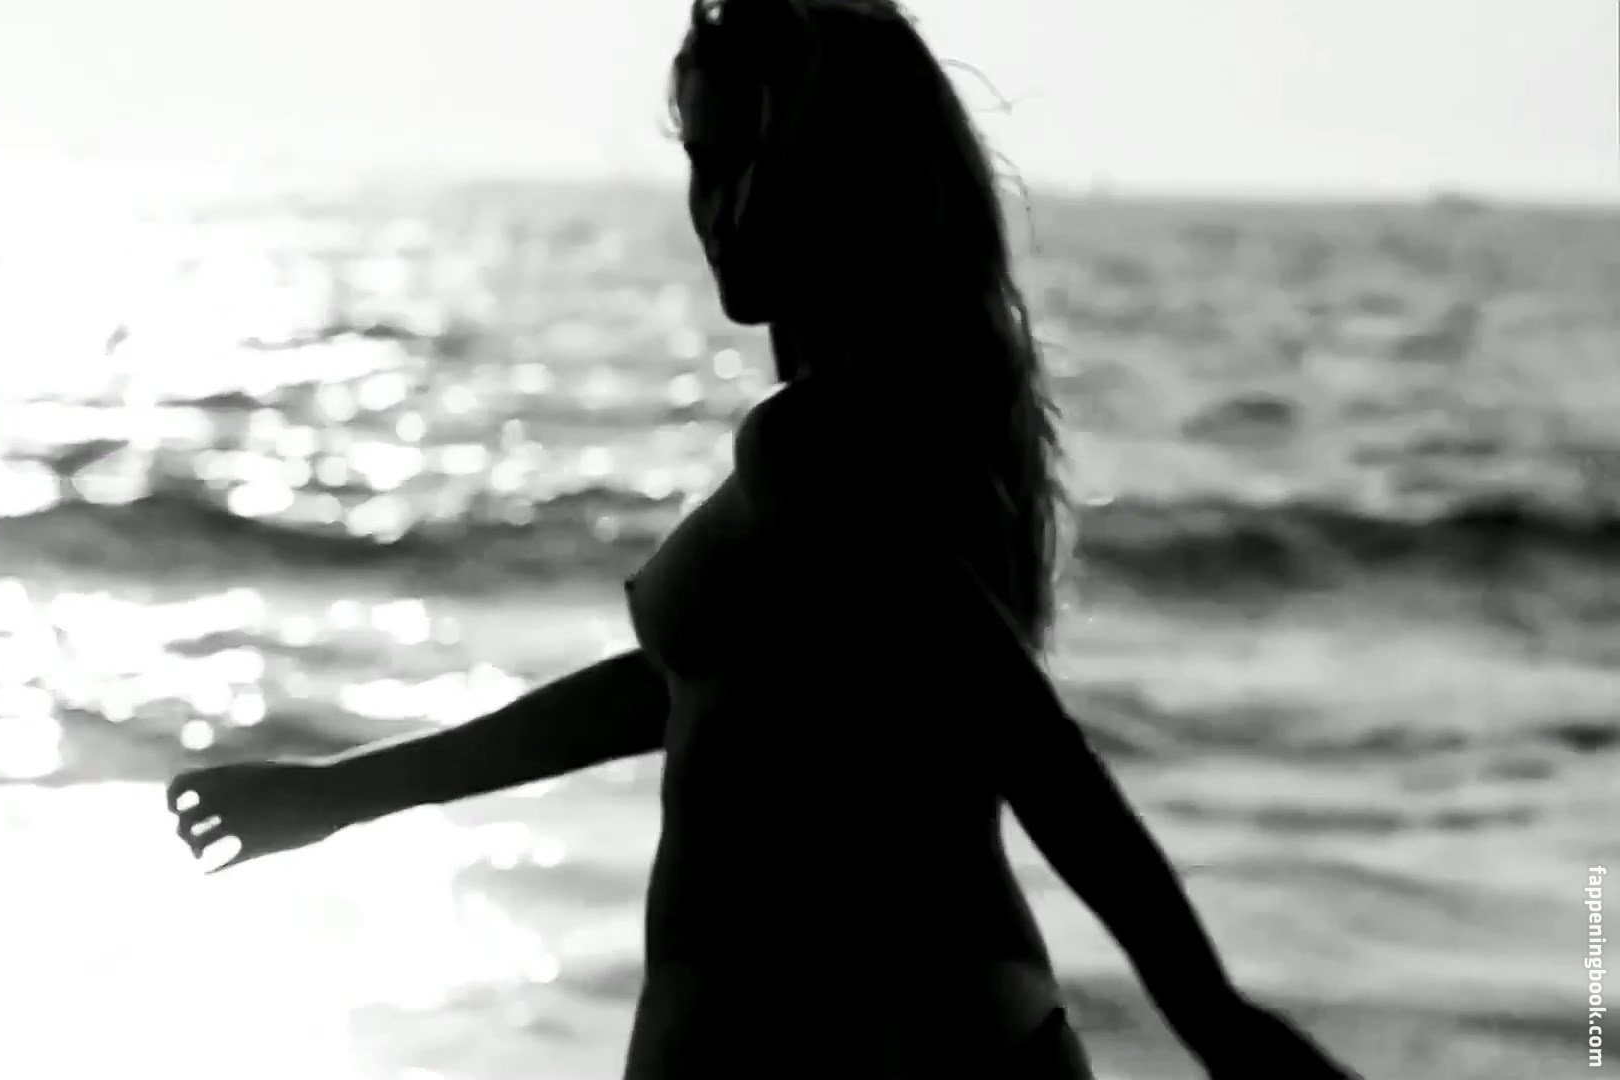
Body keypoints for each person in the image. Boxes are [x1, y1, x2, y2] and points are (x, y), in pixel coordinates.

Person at [165, 1, 1364, 1077]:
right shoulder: (916, 420)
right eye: (700, 160)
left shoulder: (814, 446)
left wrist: (1211, 1016)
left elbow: (1016, 723)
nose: (716, 209)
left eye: (750, 159)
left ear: (838, 174)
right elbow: (692, 687)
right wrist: (346, 793)